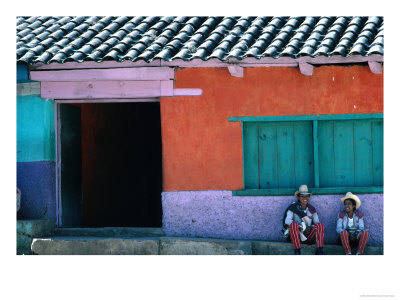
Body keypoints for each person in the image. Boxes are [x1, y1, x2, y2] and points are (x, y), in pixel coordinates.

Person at [282, 184, 325, 255]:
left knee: (320, 225)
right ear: (298, 197)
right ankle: (297, 250)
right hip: (296, 236)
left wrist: (309, 228)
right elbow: (287, 221)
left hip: (308, 236)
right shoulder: (293, 208)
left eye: (307, 196)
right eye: (302, 196)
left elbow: (317, 222)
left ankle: (319, 250)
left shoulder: (312, 209)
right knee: (293, 225)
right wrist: (300, 227)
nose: (305, 198)